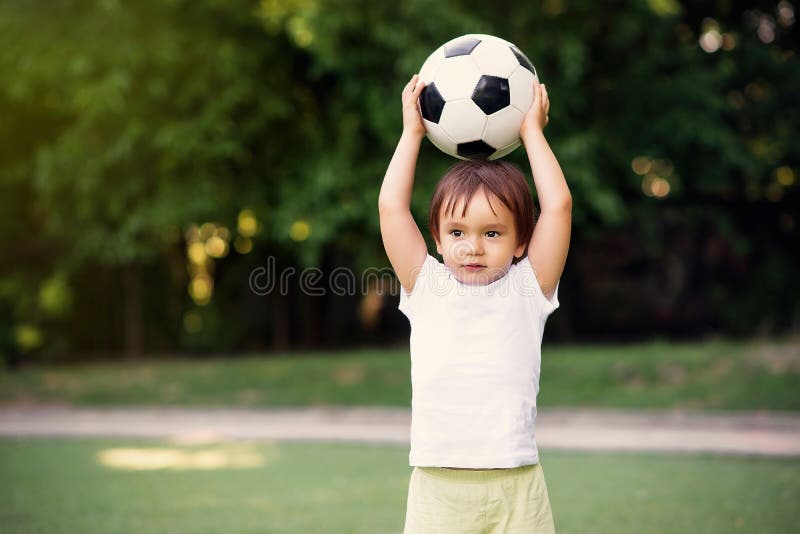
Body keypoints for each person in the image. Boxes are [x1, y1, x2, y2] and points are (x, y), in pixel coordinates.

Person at [378, 73, 571, 533]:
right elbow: (390, 207)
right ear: (438, 241)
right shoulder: (425, 286)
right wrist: (411, 134)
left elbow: (558, 206)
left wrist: (533, 135)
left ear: (521, 240)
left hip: (517, 485)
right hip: (437, 488)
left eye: (493, 233)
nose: (473, 247)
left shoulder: (530, 288)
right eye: (458, 233)